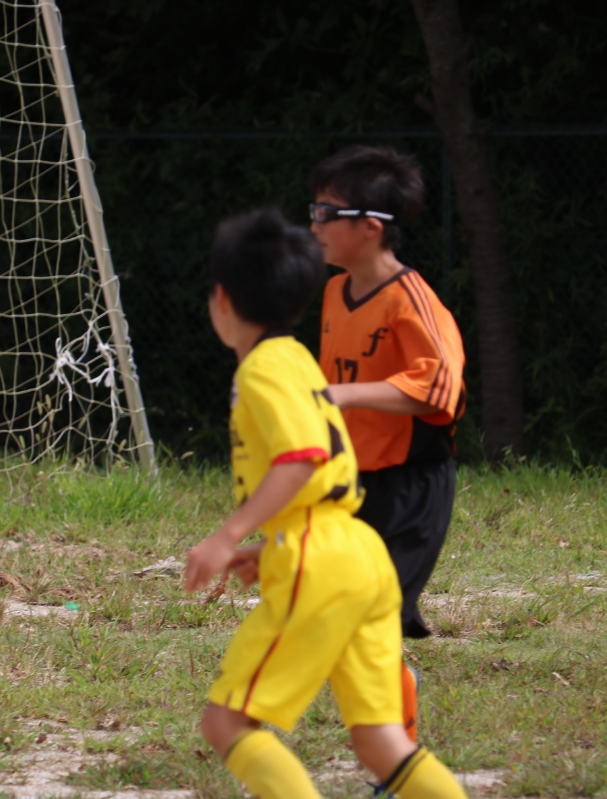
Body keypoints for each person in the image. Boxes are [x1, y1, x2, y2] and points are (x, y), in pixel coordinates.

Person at [184, 208, 467, 799]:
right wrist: (269, 546)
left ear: (222, 300)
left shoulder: (263, 370)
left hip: (319, 560)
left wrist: (227, 536)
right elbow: (320, 477)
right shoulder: (296, 359)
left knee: (225, 724)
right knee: (381, 743)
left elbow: (303, 459)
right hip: (357, 554)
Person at [309, 146, 467, 742]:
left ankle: (395, 752)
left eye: (326, 213)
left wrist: (339, 396)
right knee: (340, 618)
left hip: (409, 487)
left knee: (369, 620)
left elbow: (442, 388)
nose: (314, 225)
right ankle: (390, 736)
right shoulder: (335, 293)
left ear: (371, 227)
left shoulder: (410, 299)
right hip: (349, 482)